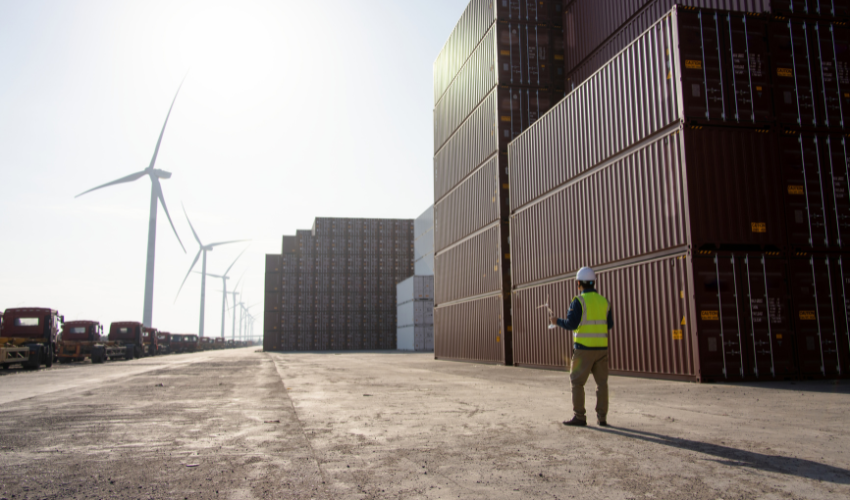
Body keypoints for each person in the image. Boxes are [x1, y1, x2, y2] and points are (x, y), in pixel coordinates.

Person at [549, 267, 613, 427]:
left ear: (579, 284)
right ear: (594, 283)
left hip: (584, 349)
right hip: (602, 349)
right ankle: (602, 417)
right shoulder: (604, 301)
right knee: (602, 383)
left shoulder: (578, 301)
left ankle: (580, 416)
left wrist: (556, 321)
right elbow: (609, 325)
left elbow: (571, 324)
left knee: (577, 382)